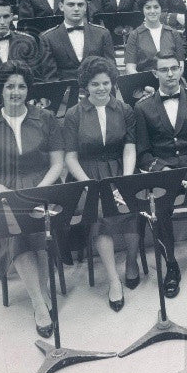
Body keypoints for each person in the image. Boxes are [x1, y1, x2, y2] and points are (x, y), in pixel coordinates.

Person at [0, 60, 64, 338]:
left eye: (21, 86)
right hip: (1, 191)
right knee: (15, 233)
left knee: (41, 228)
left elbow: (57, 164)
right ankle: (38, 303)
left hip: (40, 186)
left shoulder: (45, 118)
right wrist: (1, 190)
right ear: (1, 88)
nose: (16, 92)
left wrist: (41, 191)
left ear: (28, 89)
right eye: (10, 86)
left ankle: (42, 292)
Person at [133, 53, 187, 296]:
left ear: (181, 70)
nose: (170, 74)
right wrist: (165, 172)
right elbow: (143, 153)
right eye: (164, 69)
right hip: (164, 174)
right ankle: (171, 264)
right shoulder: (142, 107)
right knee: (158, 208)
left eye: (174, 68)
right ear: (155, 73)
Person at [61, 56, 140, 311]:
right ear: (86, 86)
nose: (102, 88)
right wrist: (90, 185)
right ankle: (113, 280)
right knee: (99, 215)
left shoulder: (125, 109)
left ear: (112, 83)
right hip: (86, 174)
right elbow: (70, 158)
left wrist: (125, 179)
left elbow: (129, 148)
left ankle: (131, 261)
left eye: (106, 83)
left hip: (120, 168)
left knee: (132, 209)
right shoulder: (73, 114)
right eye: (95, 84)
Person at [37, 0, 114, 81]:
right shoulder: (47, 38)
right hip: (65, 92)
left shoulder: (102, 34)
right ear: (61, 6)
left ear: (85, 7)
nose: (76, 9)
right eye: (71, 5)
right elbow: (50, 77)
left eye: (80, 5)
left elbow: (111, 70)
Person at [124, 0, 186, 73]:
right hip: (145, 82)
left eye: (156, 7)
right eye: (148, 8)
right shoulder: (135, 35)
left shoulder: (173, 33)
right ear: (143, 10)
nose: (152, 11)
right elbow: (130, 67)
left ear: (161, 9)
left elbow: (181, 64)